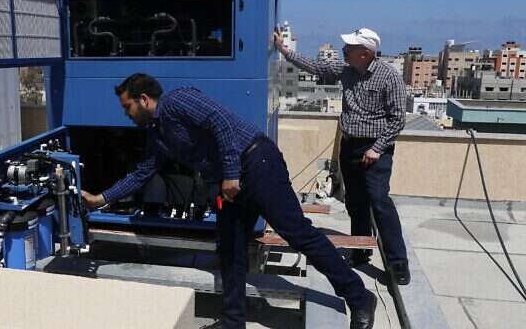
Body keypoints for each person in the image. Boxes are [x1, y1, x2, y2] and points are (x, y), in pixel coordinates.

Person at [81, 73, 377, 329]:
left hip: (256, 162)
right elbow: (142, 173)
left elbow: (220, 122)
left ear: (143, 99)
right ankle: (233, 321)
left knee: (297, 233)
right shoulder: (157, 135)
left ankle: (359, 296)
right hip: (228, 184)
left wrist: (232, 174)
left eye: (127, 107)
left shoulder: (177, 101)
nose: (126, 115)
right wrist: (101, 198)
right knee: (230, 248)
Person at [274, 27, 410, 285]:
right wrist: (284, 50)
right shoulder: (347, 69)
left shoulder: (388, 77)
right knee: (355, 202)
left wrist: (377, 148)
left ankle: (398, 263)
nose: (345, 51)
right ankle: (360, 251)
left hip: (375, 149)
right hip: (350, 147)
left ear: (366, 53)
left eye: (351, 48)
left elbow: (397, 121)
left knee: (380, 201)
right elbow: (316, 67)